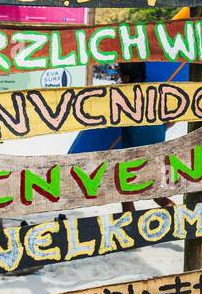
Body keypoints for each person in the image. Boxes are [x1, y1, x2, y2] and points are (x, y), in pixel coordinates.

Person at [69, 62, 171, 211]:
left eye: (120, 75)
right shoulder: (154, 93)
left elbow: (107, 118)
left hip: (132, 159)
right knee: (158, 196)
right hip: (157, 154)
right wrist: (159, 128)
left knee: (125, 195)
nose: (118, 78)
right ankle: (183, 223)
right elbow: (172, 120)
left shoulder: (123, 98)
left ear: (126, 77)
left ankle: (131, 228)